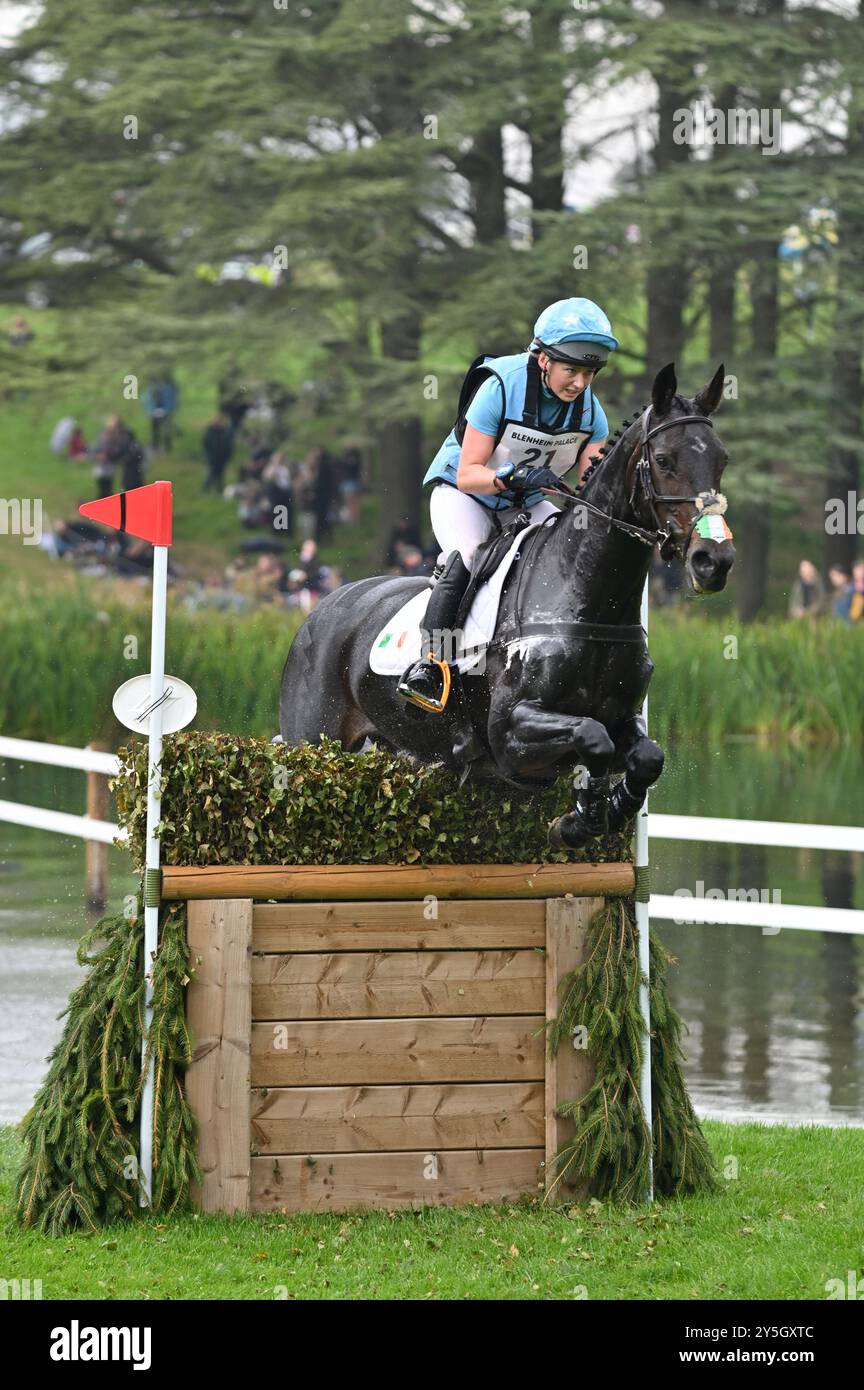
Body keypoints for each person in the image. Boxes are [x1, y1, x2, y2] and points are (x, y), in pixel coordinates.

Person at [397, 297, 614, 712]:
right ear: (543, 360)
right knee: (471, 553)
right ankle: (430, 665)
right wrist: (511, 476)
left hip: (524, 503)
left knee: (563, 556)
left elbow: (589, 488)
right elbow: (468, 473)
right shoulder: (499, 386)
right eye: (572, 370)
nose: (580, 384)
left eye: (590, 373)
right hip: (465, 495)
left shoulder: (592, 414)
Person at [202, 413, 234, 492]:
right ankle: (206, 489)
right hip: (212, 457)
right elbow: (206, 444)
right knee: (212, 473)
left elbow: (229, 445)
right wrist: (207, 455)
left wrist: (228, 456)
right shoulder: (210, 431)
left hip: (222, 457)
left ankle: (219, 489)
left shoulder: (226, 432)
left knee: (221, 474)